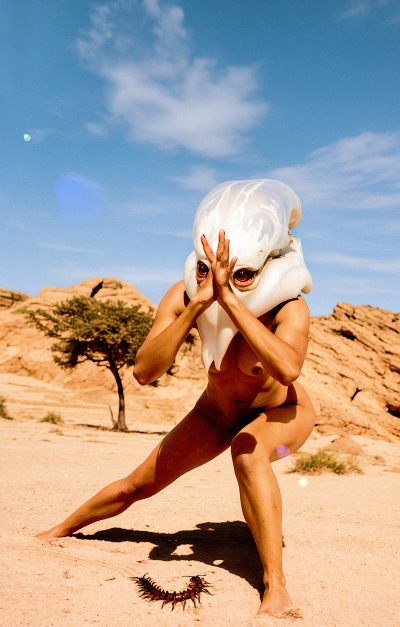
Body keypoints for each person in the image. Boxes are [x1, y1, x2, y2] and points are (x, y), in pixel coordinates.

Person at [36, 180, 316, 618]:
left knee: (247, 453)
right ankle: (60, 530)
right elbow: (144, 372)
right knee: (139, 483)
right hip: (215, 414)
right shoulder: (183, 296)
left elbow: (287, 370)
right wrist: (196, 307)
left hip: (283, 413)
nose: (216, 279)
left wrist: (231, 301)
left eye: (238, 273)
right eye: (206, 268)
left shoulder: (288, 308)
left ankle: (275, 588)